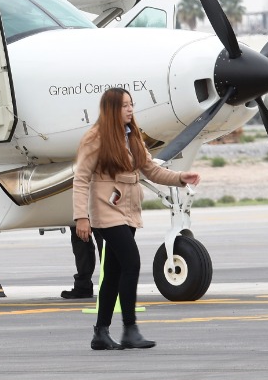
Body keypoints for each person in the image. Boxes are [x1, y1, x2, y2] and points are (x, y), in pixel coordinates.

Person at [72, 87, 201, 351]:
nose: (130, 110)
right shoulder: (95, 138)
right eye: (124, 106)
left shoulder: (132, 136)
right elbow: (81, 179)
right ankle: (130, 329)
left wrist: (179, 178)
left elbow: (150, 169)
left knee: (114, 272)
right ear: (111, 109)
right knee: (132, 263)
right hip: (106, 210)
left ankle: (101, 333)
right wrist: (80, 217)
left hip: (129, 208)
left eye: (131, 105)